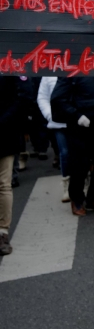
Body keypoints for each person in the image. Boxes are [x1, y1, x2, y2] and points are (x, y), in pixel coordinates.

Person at [51, 77, 94, 215]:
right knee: (80, 165)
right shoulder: (71, 72)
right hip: (79, 127)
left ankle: (93, 198)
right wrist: (76, 115)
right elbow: (57, 99)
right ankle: (76, 200)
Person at [0, 77, 27, 255]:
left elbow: (21, 98)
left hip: (4, 134)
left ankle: (2, 232)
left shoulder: (9, 68)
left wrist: (3, 121)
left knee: (3, 184)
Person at [37, 77, 70, 202]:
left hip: (79, 120)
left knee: (82, 153)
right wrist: (50, 115)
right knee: (65, 153)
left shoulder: (79, 65)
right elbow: (42, 97)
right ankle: (66, 186)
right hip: (59, 122)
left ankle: (84, 183)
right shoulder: (49, 73)